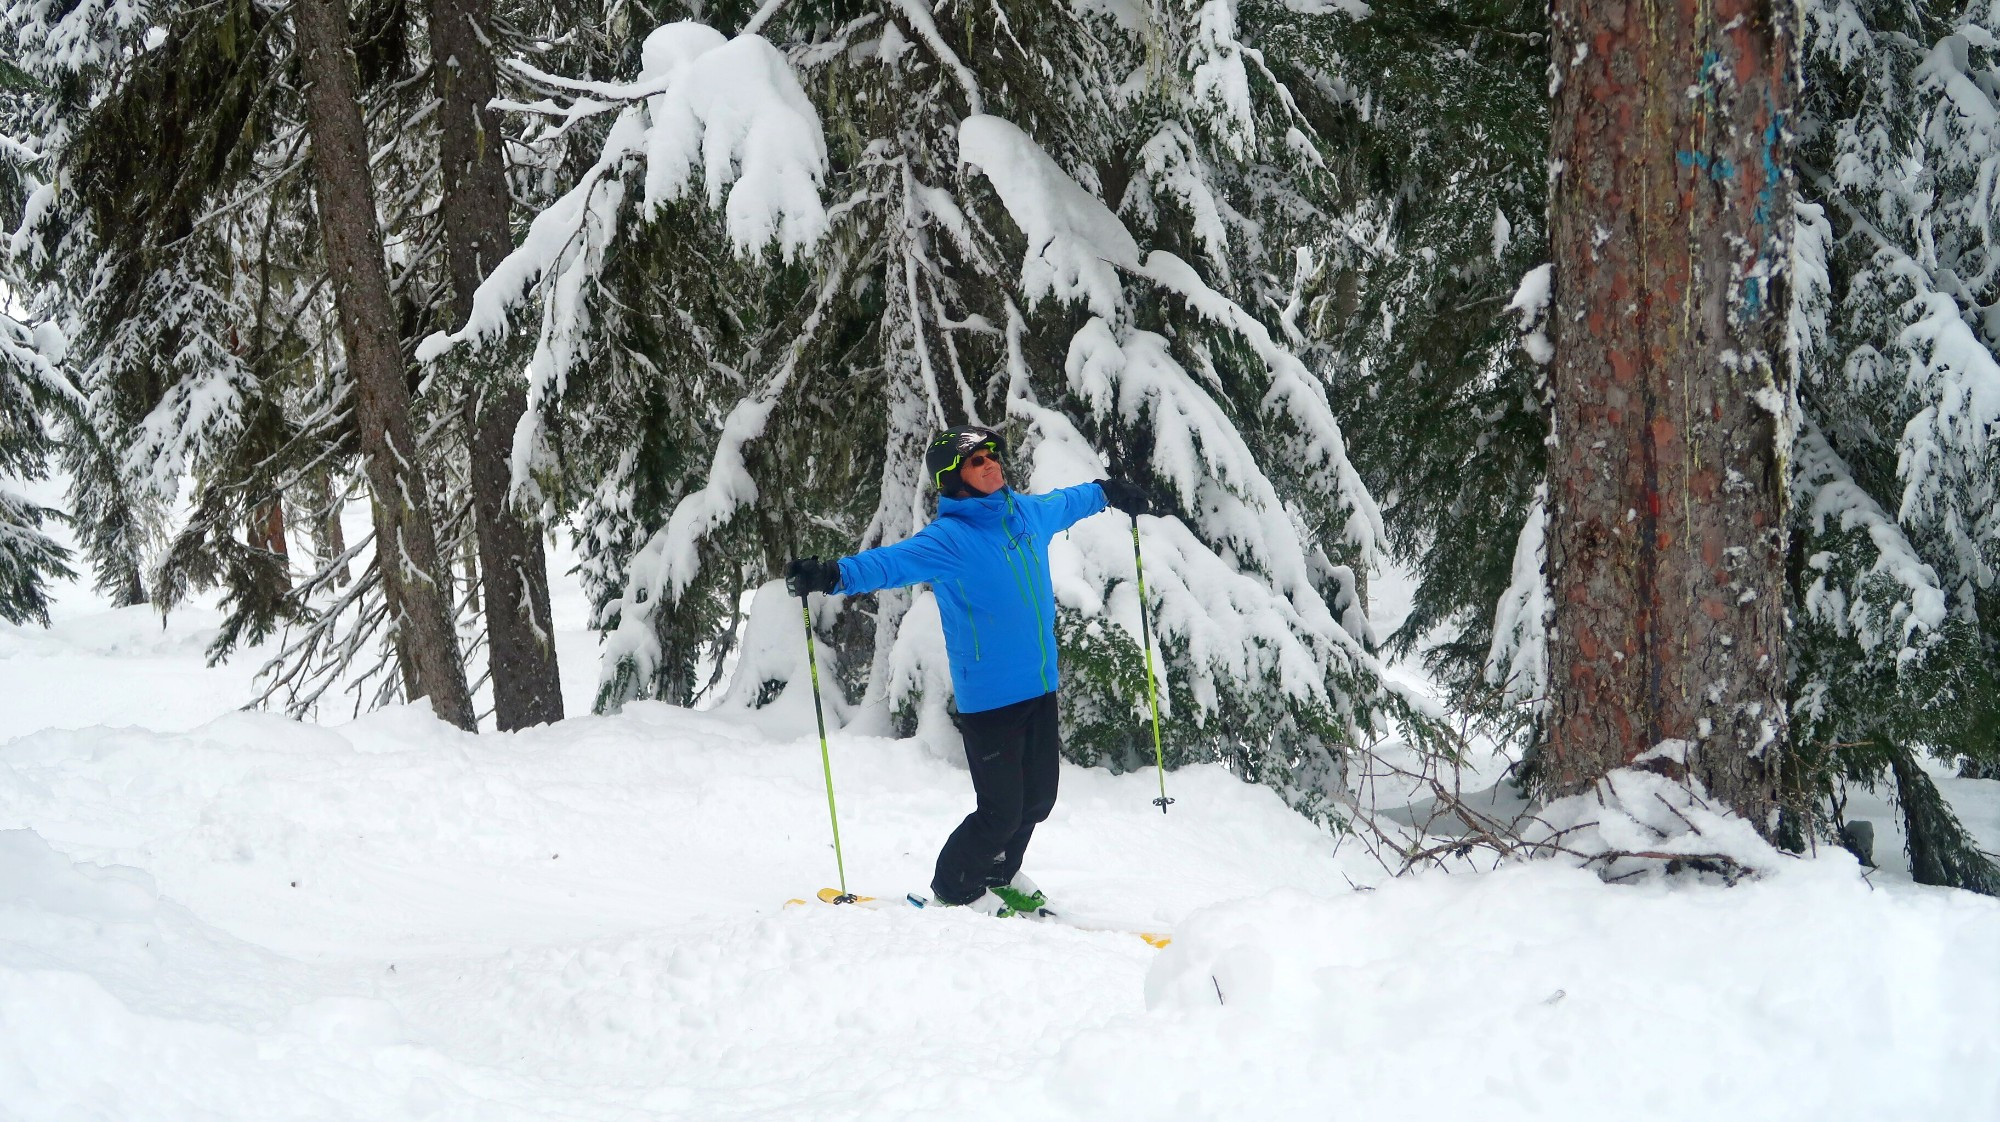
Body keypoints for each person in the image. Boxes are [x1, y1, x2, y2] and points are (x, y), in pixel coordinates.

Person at [785, 426, 1149, 917]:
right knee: (999, 812)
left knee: (1038, 800)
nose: (991, 464)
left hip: (1040, 687)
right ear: (954, 478)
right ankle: (955, 888)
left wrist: (1107, 493)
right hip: (991, 699)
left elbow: (1067, 502)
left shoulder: (1023, 515)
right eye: (976, 461)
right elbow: (890, 563)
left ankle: (999, 873)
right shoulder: (950, 540)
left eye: (992, 455)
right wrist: (833, 574)